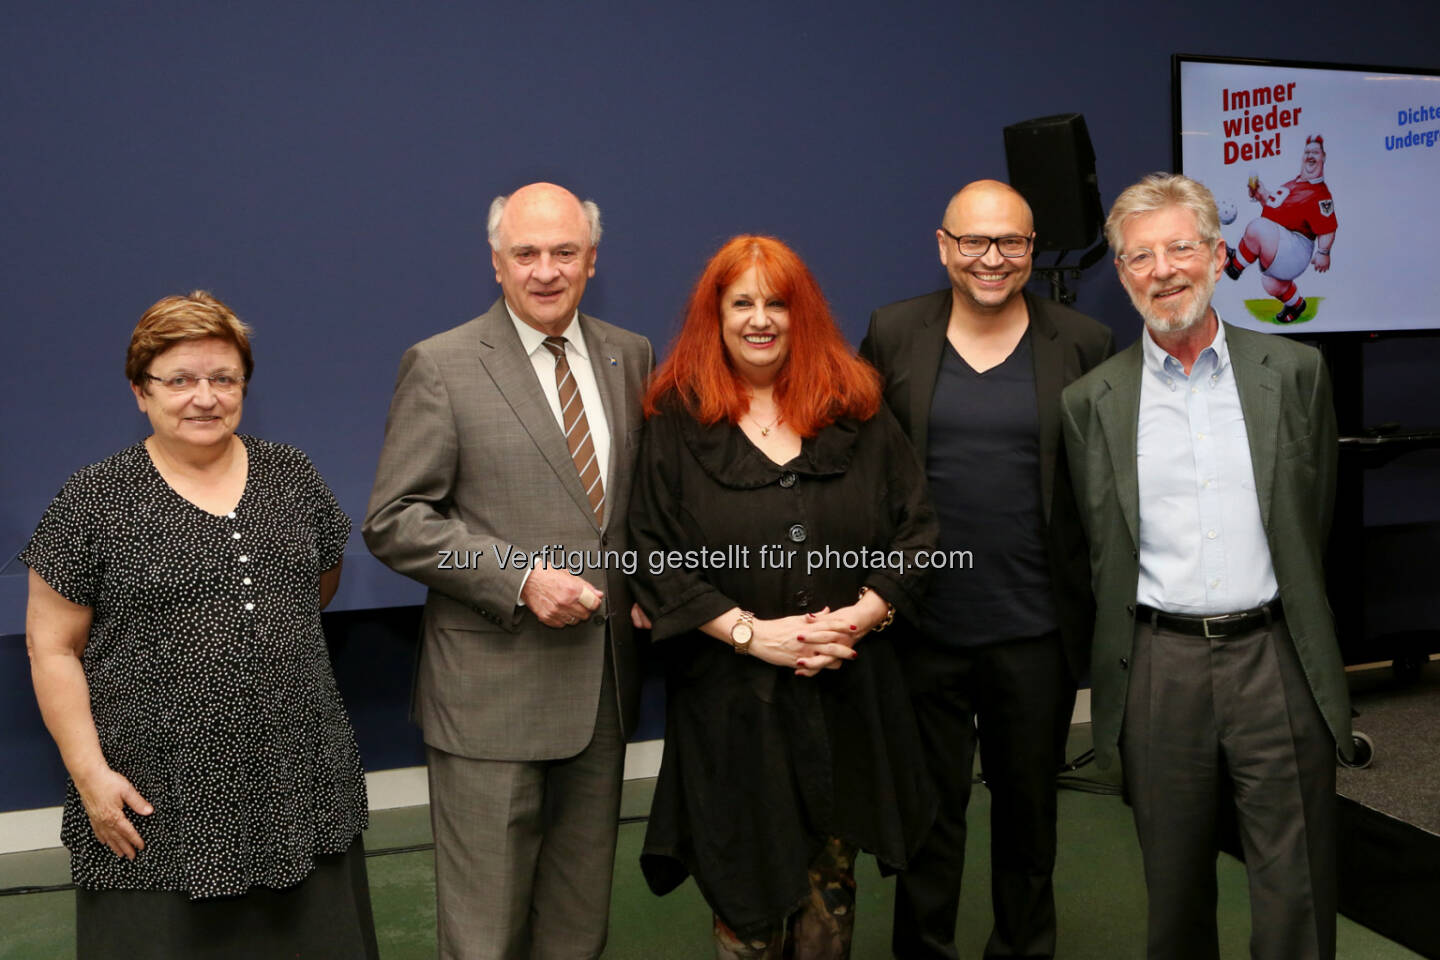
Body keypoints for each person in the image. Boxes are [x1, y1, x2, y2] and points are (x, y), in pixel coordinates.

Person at [22, 291, 376, 960]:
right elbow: (51, 646)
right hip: (156, 806)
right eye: (179, 380)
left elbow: (314, 586)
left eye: (223, 378)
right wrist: (92, 776)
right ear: (140, 392)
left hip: (299, 789)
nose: (204, 397)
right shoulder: (92, 501)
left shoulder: (293, 476)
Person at [1060, 173, 1352, 960]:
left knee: (1297, 882)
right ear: (1120, 276)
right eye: (1139, 257)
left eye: (1181, 247)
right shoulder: (1090, 402)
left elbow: (1312, 516)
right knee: (1175, 883)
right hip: (1159, 663)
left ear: (1220, 256)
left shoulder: (1294, 374)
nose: (1163, 270)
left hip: (1275, 654)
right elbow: (1087, 545)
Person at [363, 182, 653, 960]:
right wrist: (519, 577)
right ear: (496, 263)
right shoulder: (443, 363)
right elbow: (395, 522)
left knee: (576, 931)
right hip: (490, 699)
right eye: (526, 253)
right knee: (486, 937)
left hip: (602, 693)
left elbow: (638, 510)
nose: (546, 270)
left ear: (592, 261)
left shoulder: (633, 355)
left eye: (564, 252)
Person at [629, 234, 938, 959]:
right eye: (743, 302)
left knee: (830, 900)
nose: (760, 318)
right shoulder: (676, 419)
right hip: (730, 711)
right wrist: (750, 634)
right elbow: (652, 550)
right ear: (716, 315)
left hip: (842, 699)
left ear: (804, 315)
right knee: (746, 898)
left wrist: (863, 616)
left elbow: (919, 529)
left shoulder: (855, 408)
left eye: (778, 303)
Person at [860, 180, 1113, 959]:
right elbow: (862, 469)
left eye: (1011, 243)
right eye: (974, 241)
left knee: (1029, 816)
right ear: (944, 246)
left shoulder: (1084, 342)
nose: (992, 258)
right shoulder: (894, 333)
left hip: (1034, 631)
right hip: (921, 625)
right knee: (928, 819)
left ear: (1033, 251)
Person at [1224, 134, 1338, 323]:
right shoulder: (1295, 183)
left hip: (1296, 248)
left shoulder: (1320, 194)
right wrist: (1261, 195)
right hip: (1284, 245)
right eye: (1307, 152)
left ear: (1323, 157)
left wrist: (1324, 251)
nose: (1310, 156)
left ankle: (1236, 265)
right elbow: (1277, 211)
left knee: (1257, 227)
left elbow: (1327, 227)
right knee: (1271, 284)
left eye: (1315, 153)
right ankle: (1297, 304)